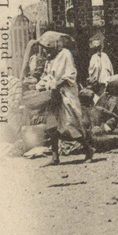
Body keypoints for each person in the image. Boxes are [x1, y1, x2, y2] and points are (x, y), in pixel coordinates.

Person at [36, 32, 91, 164]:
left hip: (66, 95)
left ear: (53, 44)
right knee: (52, 126)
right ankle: (55, 157)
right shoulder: (50, 59)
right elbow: (46, 76)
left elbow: (70, 75)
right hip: (54, 96)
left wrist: (56, 84)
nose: (45, 50)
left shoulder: (65, 54)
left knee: (70, 126)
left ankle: (89, 150)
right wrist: (41, 85)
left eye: (46, 47)